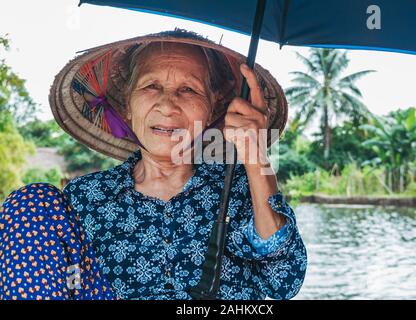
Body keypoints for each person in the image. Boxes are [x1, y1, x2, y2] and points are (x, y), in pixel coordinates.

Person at [0, 29, 307, 300]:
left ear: (214, 105)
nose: (167, 104)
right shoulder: (84, 199)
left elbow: (283, 280)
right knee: (31, 202)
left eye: (188, 90)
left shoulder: (240, 186)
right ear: (127, 107)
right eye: (150, 87)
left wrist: (255, 158)